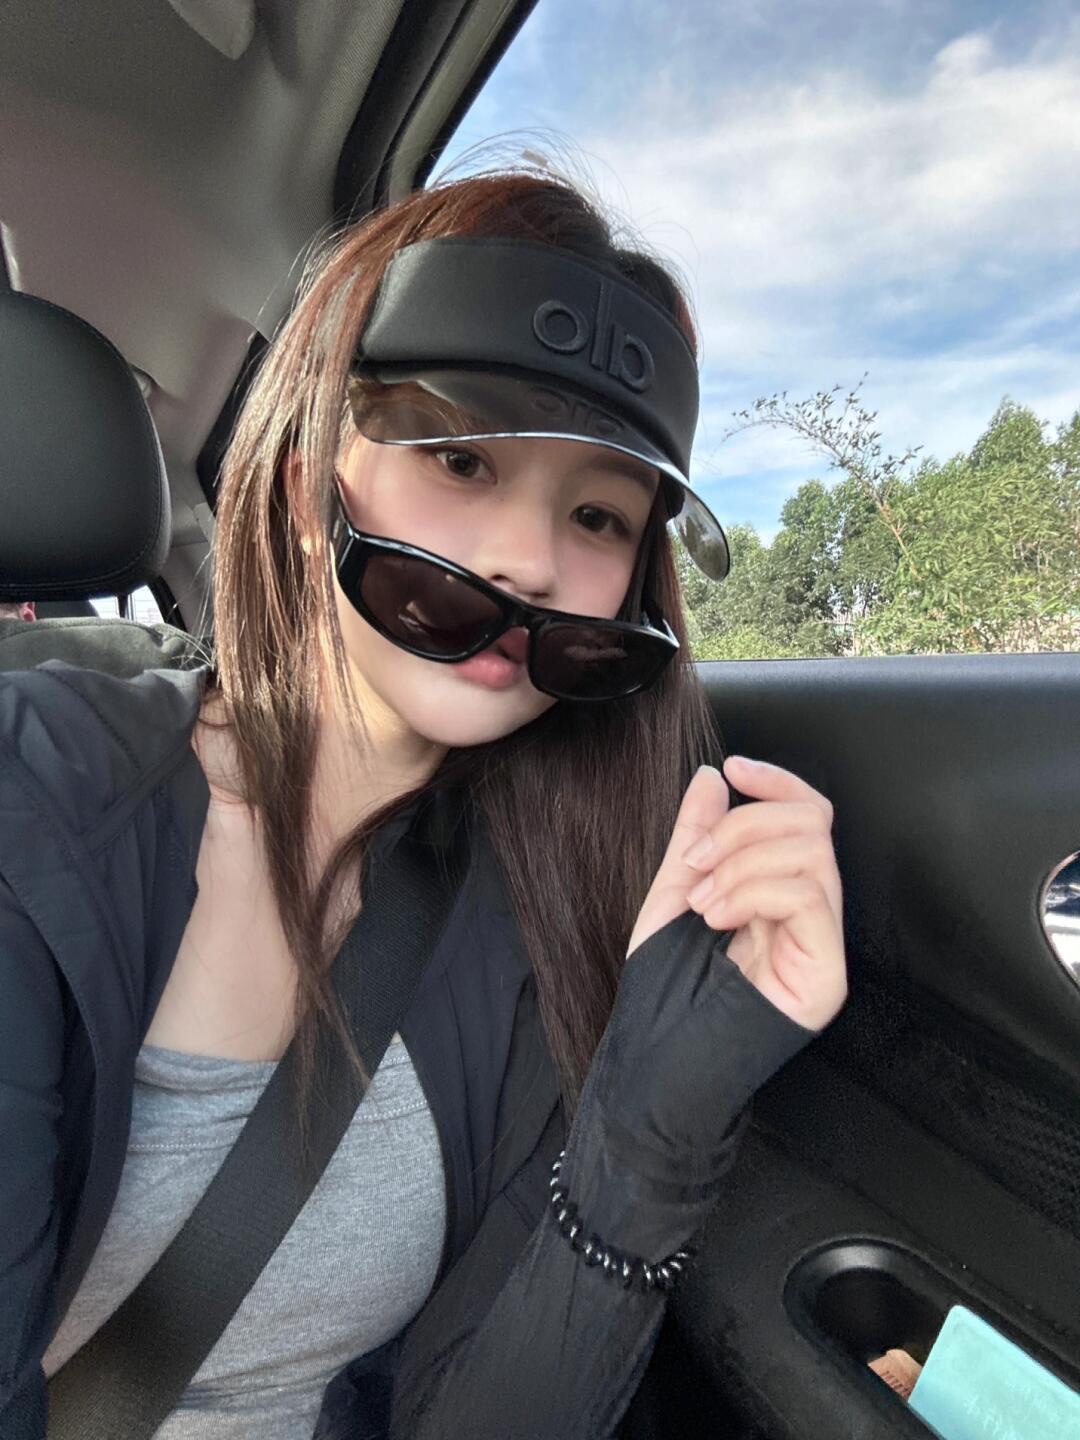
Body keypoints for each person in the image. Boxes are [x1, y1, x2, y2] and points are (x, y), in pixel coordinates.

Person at [0, 166, 847, 1439]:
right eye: (461, 458)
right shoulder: (33, 801)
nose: (531, 560)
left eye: (596, 515)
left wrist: (647, 1133)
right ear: (306, 491)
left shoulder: (547, 895)